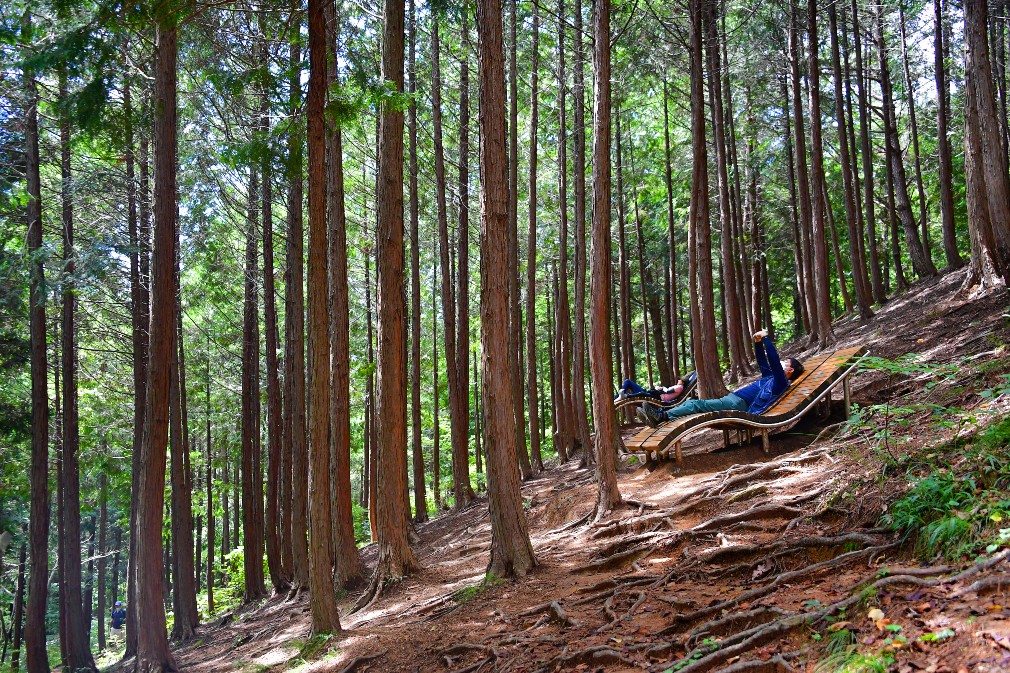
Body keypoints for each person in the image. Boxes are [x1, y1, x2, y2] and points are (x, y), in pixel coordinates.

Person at [638, 330, 804, 427]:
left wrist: (767, 338)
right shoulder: (771, 378)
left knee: (696, 404)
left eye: (785, 362)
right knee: (697, 405)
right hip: (734, 400)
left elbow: (774, 361)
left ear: (789, 370)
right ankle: (659, 416)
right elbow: (763, 361)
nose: (782, 362)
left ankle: (661, 416)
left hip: (739, 404)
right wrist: (758, 343)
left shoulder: (780, 382)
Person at [615, 378, 685, 403]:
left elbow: (667, 391)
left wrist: (661, 388)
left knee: (642, 393)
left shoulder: (679, 387)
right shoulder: (679, 386)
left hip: (658, 397)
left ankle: (625, 396)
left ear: (683, 381)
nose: (678, 380)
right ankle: (617, 398)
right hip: (655, 394)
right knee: (628, 381)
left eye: (680, 379)